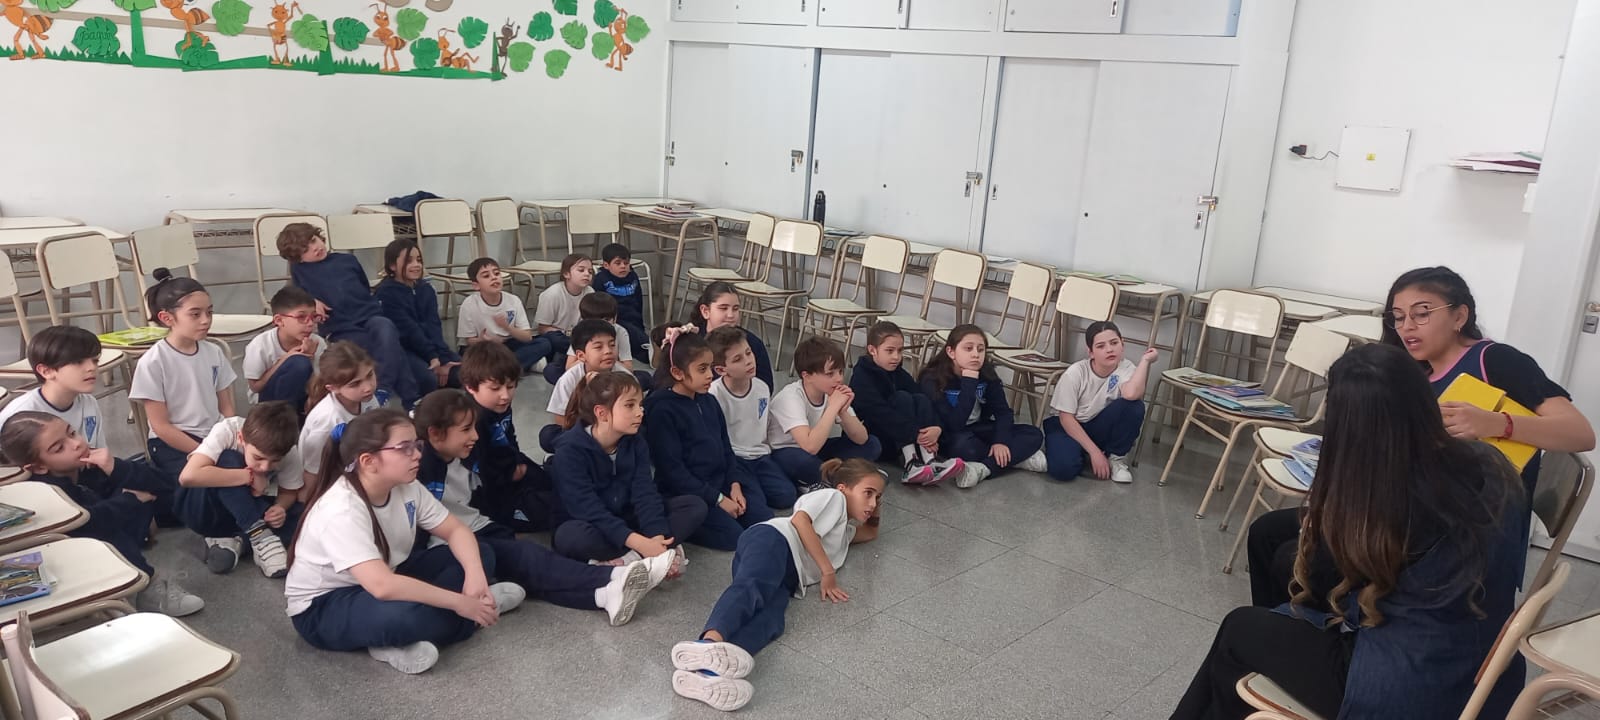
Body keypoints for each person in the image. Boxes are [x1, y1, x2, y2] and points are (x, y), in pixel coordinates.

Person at [1174, 343, 1531, 720]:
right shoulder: (1487, 461)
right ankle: (1280, 654)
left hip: (1407, 688)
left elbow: (1330, 575)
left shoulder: (1391, 498)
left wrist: (1327, 523)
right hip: (1478, 661)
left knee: (1239, 629)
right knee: (1270, 536)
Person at [1246, 266, 1596, 609]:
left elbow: (1580, 434)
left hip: (1460, 531)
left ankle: (1315, 632)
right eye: (1398, 317)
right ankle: (1280, 628)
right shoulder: (1413, 369)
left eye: (1422, 313)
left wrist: (1496, 423)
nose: (1407, 327)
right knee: (1266, 532)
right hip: (1407, 510)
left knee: (1295, 560)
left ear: (1460, 316)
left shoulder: (1495, 361)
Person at [285, 409, 524, 675]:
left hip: (389, 572)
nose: (418, 454)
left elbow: (456, 531)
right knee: (404, 618)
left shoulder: (406, 484)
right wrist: (460, 603)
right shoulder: (341, 509)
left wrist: (475, 577)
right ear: (368, 461)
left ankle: (464, 608)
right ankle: (474, 613)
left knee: (481, 553)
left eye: (417, 445)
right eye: (405, 448)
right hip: (325, 607)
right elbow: (382, 586)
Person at [413, 389, 671, 625]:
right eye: (466, 430)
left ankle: (603, 596)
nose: (475, 436)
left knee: (529, 570)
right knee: (528, 558)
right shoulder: (417, 469)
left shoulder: (466, 455)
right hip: (449, 544)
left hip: (479, 528)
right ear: (435, 434)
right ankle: (615, 576)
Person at [670, 458, 883, 712]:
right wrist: (827, 571)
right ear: (843, 488)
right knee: (753, 588)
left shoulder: (844, 532)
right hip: (773, 540)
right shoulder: (833, 498)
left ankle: (707, 673)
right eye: (868, 493)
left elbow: (871, 533)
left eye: (878, 497)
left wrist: (875, 506)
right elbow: (800, 521)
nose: (872, 503)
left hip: (789, 576)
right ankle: (708, 643)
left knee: (772, 621)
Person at [0, 412, 204, 616]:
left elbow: (164, 483)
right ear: (39, 467)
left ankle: (212, 528)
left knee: (169, 484)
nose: (76, 444)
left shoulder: (84, 463)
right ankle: (146, 585)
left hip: (111, 521)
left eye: (72, 433)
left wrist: (115, 467)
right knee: (109, 531)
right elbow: (88, 523)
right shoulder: (46, 493)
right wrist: (129, 500)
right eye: (59, 448)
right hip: (70, 558)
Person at [547, 371, 706, 567]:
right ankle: (653, 554)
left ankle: (630, 560)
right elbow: (587, 508)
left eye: (640, 405)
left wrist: (656, 535)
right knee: (570, 537)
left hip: (627, 518)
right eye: (630, 405)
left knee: (694, 506)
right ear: (601, 413)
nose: (640, 412)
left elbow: (645, 493)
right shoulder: (570, 450)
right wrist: (639, 542)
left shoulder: (636, 441)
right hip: (592, 524)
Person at [645, 327, 768, 552]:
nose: (710, 375)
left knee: (763, 519)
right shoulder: (662, 410)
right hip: (689, 492)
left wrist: (734, 485)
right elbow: (674, 472)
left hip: (719, 481)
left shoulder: (708, 400)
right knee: (734, 537)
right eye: (702, 369)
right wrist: (718, 499)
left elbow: (726, 448)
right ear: (678, 373)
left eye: (710, 367)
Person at [277, 222, 418, 409]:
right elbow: (296, 297)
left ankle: (383, 389)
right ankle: (411, 400)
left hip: (369, 316)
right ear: (299, 259)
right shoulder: (300, 271)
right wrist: (312, 301)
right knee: (387, 348)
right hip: (341, 326)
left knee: (386, 328)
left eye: (314, 240)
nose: (315, 248)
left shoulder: (347, 260)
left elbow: (363, 286)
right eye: (306, 250)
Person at [130, 268, 230, 524]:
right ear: (167, 318)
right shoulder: (153, 362)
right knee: (205, 477)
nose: (206, 320)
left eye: (209, 312)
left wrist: (230, 437)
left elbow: (227, 408)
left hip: (212, 435)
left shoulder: (214, 352)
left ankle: (241, 527)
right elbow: (161, 426)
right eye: (195, 314)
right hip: (172, 442)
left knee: (242, 465)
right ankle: (220, 531)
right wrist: (204, 452)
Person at [176, 401, 303, 578]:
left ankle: (237, 544)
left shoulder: (288, 451)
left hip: (242, 516)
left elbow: (289, 492)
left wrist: (280, 507)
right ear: (241, 438)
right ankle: (260, 535)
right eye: (258, 458)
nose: (265, 467)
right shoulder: (227, 430)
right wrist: (249, 476)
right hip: (203, 508)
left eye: (275, 461)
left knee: (302, 513)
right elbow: (188, 477)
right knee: (228, 458)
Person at [919, 324, 1048, 488]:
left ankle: (984, 468)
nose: (975, 354)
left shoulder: (987, 373)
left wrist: (1000, 442)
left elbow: (1003, 412)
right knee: (966, 449)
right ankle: (1016, 458)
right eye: (968, 348)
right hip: (951, 434)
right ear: (951, 352)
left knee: (1034, 434)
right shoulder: (933, 379)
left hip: (980, 428)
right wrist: (969, 381)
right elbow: (954, 424)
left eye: (980, 350)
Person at [848, 321, 965, 485]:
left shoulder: (897, 372)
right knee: (901, 398)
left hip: (901, 434)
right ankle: (911, 462)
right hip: (873, 436)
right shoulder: (862, 377)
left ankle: (930, 460)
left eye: (900, 351)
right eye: (889, 351)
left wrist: (936, 428)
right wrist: (915, 434)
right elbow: (879, 414)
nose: (896, 357)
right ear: (872, 350)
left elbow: (922, 397)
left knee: (920, 399)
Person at [1042, 321, 1155, 484]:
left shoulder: (1126, 368)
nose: (1109, 349)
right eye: (1101, 346)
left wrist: (1145, 361)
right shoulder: (1075, 373)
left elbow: (1131, 394)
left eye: (1114, 343)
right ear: (1091, 352)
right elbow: (1066, 418)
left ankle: (1116, 458)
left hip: (1097, 425)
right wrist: (1094, 452)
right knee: (1063, 470)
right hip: (1068, 426)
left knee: (1134, 406)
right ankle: (1082, 453)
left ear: (1122, 344)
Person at [460, 342, 556, 532]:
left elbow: (509, 436)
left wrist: (518, 463)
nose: (505, 395)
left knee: (551, 483)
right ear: (471, 387)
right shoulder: (470, 422)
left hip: (509, 464)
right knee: (551, 512)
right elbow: (477, 471)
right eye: (495, 388)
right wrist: (508, 476)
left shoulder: (498, 405)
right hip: (489, 491)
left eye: (511, 386)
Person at [767, 336, 882, 493]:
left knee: (872, 445)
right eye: (830, 374)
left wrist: (843, 411)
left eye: (840, 372)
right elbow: (809, 447)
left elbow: (861, 438)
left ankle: (830, 477)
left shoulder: (832, 392)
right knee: (806, 463)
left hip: (817, 447)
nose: (839, 378)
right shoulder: (790, 397)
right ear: (807, 376)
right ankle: (844, 476)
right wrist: (833, 407)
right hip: (786, 452)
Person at [706, 327, 797, 511]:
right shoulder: (714, 394)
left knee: (786, 496)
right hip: (735, 459)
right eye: (738, 359)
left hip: (760, 456)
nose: (748, 361)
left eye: (748, 353)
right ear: (721, 370)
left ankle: (757, 486)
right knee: (756, 507)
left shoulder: (761, 387)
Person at [0, 326, 108, 451]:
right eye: (78, 362)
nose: (92, 368)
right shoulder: (20, 414)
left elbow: (98, 452)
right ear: (46, 371)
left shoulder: (89, 403)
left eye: (95, 361)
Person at [374, 239, 460, 393]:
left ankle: (439, 375)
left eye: (419, 260)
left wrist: (442, 357)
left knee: (464, 373)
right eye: (409, 261)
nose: (416, 265)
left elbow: (434, 325)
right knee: (428, 380)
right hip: (404, 349)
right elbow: (409, 331)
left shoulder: (426, 289)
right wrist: (432, 356)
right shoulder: (386, 293)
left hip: (429, 348)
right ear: (392, 265)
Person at [299, 342, 385, 491]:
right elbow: (312, 471)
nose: (368, 387)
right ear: (333, 388)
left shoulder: (367, 398)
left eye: (370, 375)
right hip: (332, 480)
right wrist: (308, 502)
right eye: (355, 384)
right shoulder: (328, 420)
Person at [244, 285, 327, 412]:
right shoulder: (260, 345)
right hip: (269, 405)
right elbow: (255, 387)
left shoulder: (317, 342)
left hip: (306, 400)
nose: (310, 323)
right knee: (299, 363)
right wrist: (286, 359)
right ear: (279, 320)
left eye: (313, 317)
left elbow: (321, 385)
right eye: (301, 317)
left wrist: (310, 357)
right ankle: (285, 419)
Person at [458, 257, 547, 375]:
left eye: (496, 273)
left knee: (544, 343)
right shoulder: (469, 304)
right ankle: (514, 367)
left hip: (506, 344)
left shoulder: (513, 300)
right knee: (467, 357)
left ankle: (500, 369)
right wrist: (483, 340)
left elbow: (527, 337)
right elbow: (469, 341)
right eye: (486, 276)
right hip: (483, 347)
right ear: (476, 285)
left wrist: (507, 327)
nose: (494, 277)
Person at [689, 282, 774, 391]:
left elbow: (766, 386)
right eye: (723, 308)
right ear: (705, 311)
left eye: (735, 309)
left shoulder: (752, 343)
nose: (731, 315)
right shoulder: (691, 341)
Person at [534, 253, 596, 385]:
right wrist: (568, 335)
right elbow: (542, 328)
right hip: (558, 337)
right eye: (581, 270)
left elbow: (590, 323)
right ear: (566, 274)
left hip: (577, 339)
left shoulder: (590, 292)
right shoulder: (552, 294)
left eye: (590, 271)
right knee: (553, 341)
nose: (587, 274)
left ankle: (573, 366)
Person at [569, 292, 652, 387]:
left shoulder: (620, 331)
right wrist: (592, 360)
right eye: (598, 346)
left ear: (615, 318)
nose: (601, 325)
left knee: (644, 378)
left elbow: (628, 368)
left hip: (612, 375)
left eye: (607, 320)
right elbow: (569, 366)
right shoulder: (581, 332)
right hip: (586, 373)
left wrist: (608, 361)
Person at [594, 242, 649, 365]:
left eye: (626, 263)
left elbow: (639, 300)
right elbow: (597, 305)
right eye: (618, 263)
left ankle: (650, 352)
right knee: (637, 339)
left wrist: (641, 324)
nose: (623, 266)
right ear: (606, 265)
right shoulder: (601, 279)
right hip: (615, 319)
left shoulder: (633, 276)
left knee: (637, 338)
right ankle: (651, 353)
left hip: (633, 318)